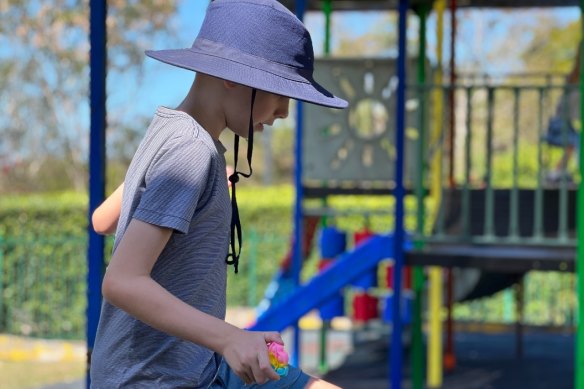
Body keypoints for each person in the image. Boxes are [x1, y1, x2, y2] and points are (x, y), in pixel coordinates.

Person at [89, 0, 347, 388]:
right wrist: (231, 338)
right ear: (232, 77)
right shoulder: (191, 150)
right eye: (280, 92)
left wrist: (194, 189)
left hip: (191, 363)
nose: (284, 113)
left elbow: (103, 220)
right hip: (158, 379)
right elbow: (121, 281)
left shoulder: (169, 132)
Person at [542, 41, 582, 183]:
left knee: (573, 144)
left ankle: (555, 174)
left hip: (566, 122)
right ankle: (555, 174)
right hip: (560, 123)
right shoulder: (575, 79)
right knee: (575, 143)